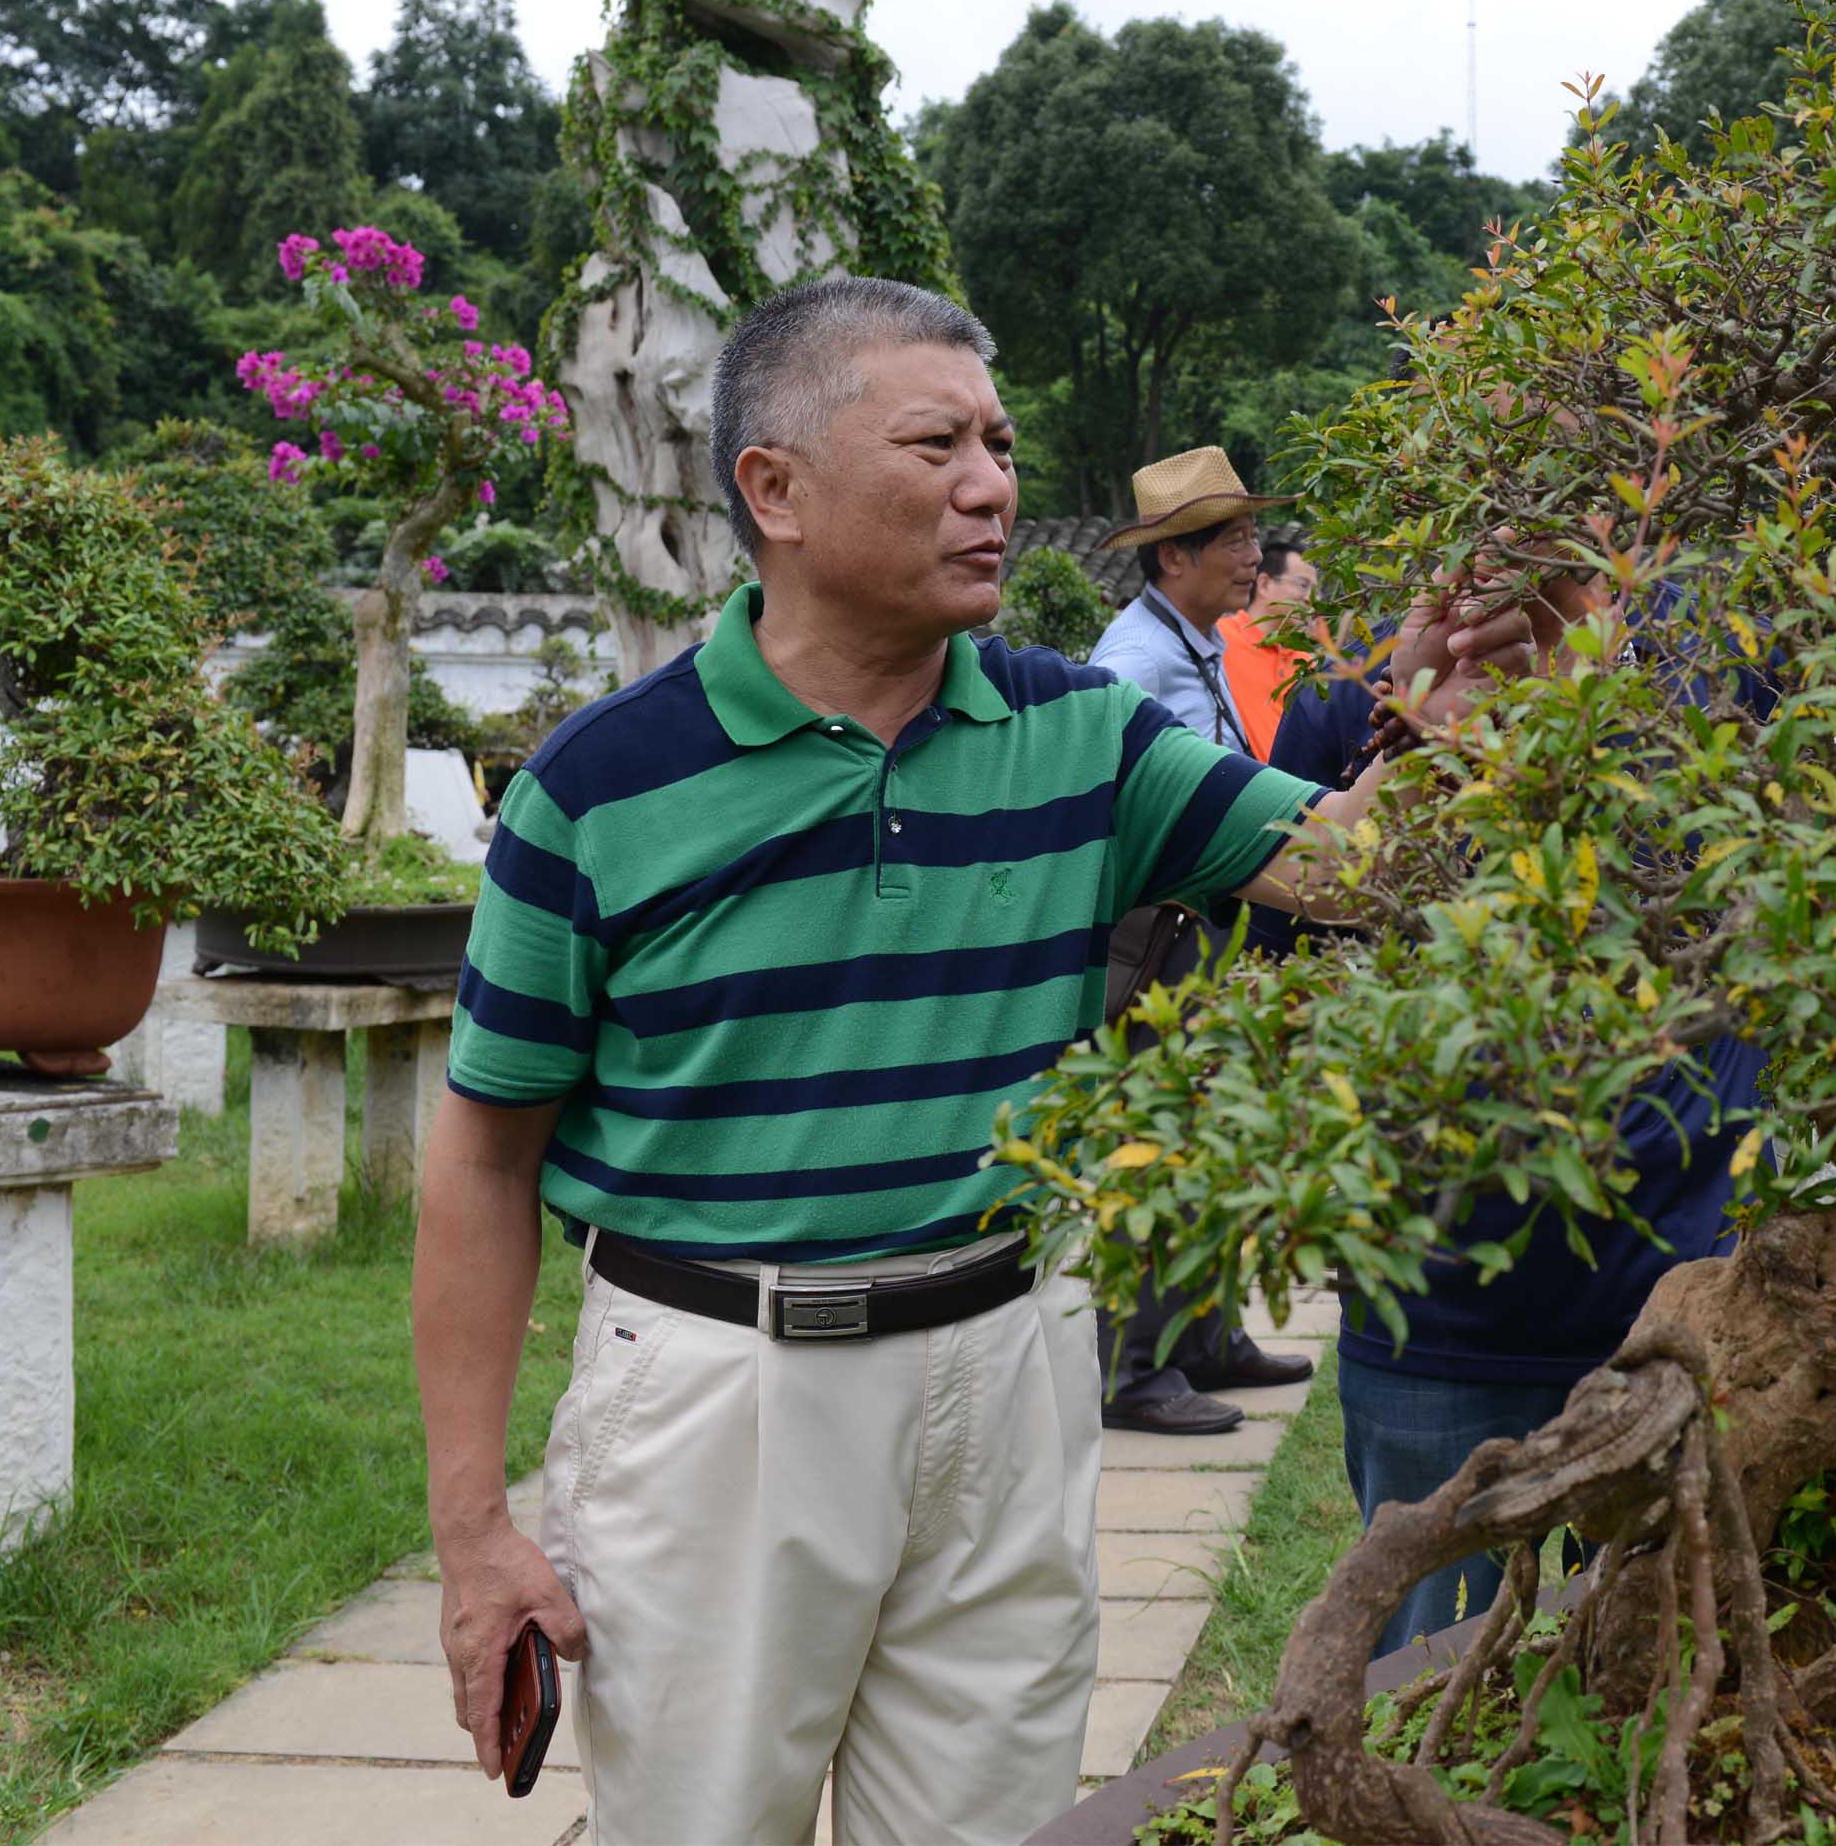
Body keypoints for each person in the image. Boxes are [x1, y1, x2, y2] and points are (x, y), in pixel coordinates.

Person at [411, 278, 1532, 1846]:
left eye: (999, 443)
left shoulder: (1078, 735)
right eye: (936, 443)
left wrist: (1440, 717)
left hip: (1008, 1363)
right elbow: (481, 1153)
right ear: (774, 489)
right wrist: (473, 1534)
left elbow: (1348, 875)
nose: (994, 485)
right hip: (720, 1396)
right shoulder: (604, 789)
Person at [1265, 583, 1762, 1655]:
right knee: (1427, 1689)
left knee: (1665, 1671)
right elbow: (1286, 948)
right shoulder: (1357, 678)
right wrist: (1426, 747)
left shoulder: (1725, 647)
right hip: (1436, 1324)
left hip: (1681, 1299)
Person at [1079, 448, 1316, 1433]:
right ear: (1171, 557)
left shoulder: (1194, 640)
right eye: (1233, 538)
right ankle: (1132, 1370)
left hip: (1198, 932)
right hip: (1150, 942)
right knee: (1153, 1144)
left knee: (1211, 1138)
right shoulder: (1133, 664)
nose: (1252, 556)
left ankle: (1205, 1335)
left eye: (1252, 534)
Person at [1216, 542, 1316, 759]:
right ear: (1264, 584)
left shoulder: (1305, 662)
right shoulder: (1221, 639)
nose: (1310, 598)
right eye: (1302, 584)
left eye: (1315, 590)